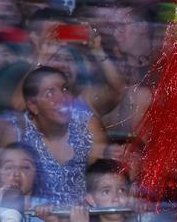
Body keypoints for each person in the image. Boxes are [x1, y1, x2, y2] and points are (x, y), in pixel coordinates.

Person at [6, 67, 105, 205]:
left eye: (65, 89)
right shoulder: (18, 131)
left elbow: (101, 184)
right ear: (33, 106)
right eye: (50, 92)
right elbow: (6, 186)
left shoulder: (89, 125)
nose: (62, 98)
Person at [0, 143, 44, 222]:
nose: (16, 174)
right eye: (9, 167)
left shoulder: (45, 211)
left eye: (25, 167)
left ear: (37, 175)